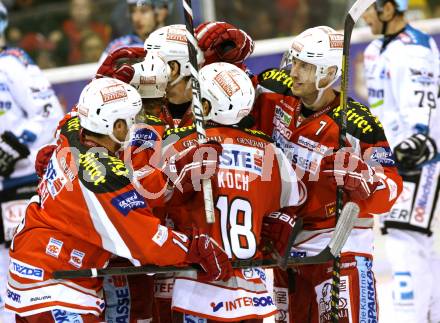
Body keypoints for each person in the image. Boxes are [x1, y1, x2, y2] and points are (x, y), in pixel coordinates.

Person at [5, 77, 232, 322]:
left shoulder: (72, 131)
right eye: (131, 120)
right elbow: (148, 242)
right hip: (56, 284)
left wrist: (171, 175)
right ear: (117, 126)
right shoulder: (103, 176)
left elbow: (126, 185)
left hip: (34, 272)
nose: (136, 126)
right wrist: (194, 249)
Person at [252, 26, 403, 322]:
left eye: (305, 66)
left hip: (338, 248)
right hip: (286, 248)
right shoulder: (274, 90)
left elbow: (391, 189)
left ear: (328, 72)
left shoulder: (358, 124)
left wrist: (365, 181)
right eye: (294, 61)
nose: (294, 72)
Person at [162, 62, 303, 322]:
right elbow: (294, 202)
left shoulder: (179, 143)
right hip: (253, 293)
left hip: (199, 291)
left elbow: (153, 201)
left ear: (205, 107)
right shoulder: (269, 151)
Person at [363, 1, 440, 322]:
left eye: (369, 8)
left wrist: (413, 148)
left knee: (403, 239)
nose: (365, 16)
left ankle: (411, 316)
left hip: (416, 159)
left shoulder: (415, 49)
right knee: (412, 241)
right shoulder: (374, 49)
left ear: (389, 9)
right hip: (390, 158)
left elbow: (423, 109)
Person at [0, 2, 64, 320]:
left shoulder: (13, 63)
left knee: (19, 261)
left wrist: (13, 148)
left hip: (18, 181)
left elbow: (49, 112)